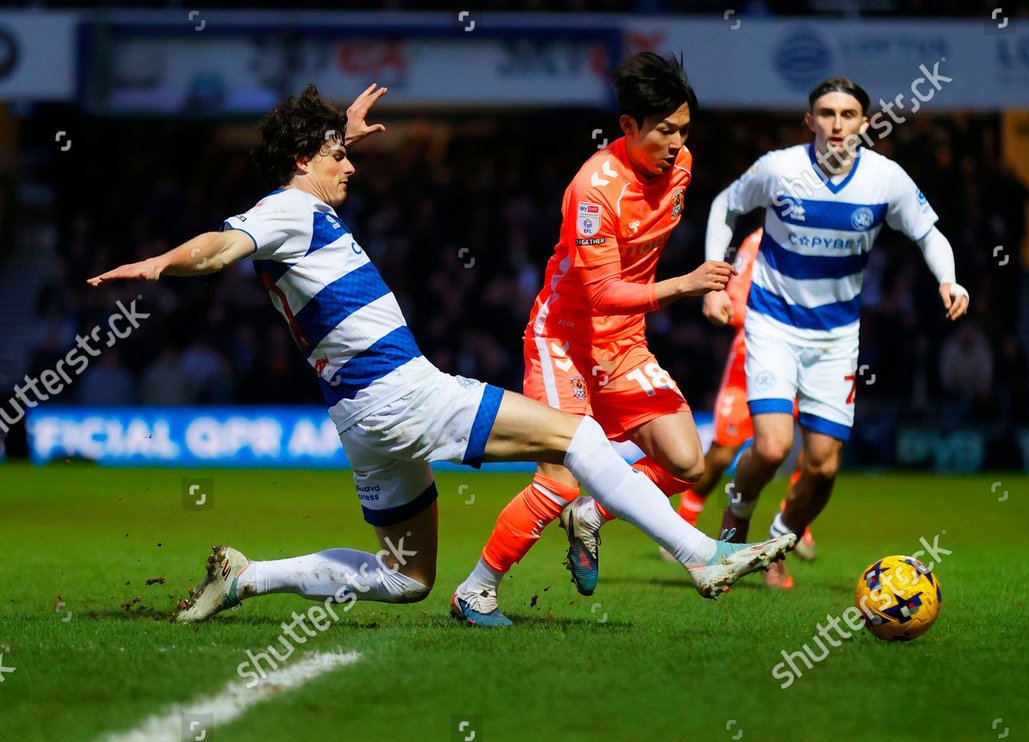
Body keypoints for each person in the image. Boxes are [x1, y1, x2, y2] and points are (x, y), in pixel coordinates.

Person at [86, 83, 795, 627]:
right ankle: (702, 556)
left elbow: (286, 200)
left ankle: (244, 579)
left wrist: (344, 133)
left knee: (405, 578)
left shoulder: (302, 208)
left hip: (362, 418)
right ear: (304, 162)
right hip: (400, 392)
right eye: (339, 156)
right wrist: (161, 263)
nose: (351, 168)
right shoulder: (285, 210)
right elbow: (218, 248)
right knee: (574, 435)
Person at [452, 52, 739, 625]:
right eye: (663, 131)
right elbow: (604, 292)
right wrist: (686, 285)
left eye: (684, 130)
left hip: (625, 342)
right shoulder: (593, 189)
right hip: (565, 341)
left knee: (688, 462)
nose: (677, 143)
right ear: (627, 127)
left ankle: (593, 512)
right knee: (557, 475)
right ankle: (476, 590)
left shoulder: (682, 166)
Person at [703, 76, 969, 586]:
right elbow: (726, 206)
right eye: (826, 113)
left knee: (823, 467)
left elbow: (928, 233)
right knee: (775, 446)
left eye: (848, 115)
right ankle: (737, 517)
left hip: (836, 337)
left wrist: (949, 281)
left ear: (865, 124)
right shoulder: (779, 168)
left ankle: (779, 539)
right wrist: (716, 281)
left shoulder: (885, 179)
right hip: (773, 323)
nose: (837, 124)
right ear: (810, 122)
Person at [668, 228, 816, 590]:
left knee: (812, 446)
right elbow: (733, 305)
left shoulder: (829, 235)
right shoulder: (758, 242)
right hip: (752, 360)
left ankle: (793, 524)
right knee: (724, 452)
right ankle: (685, 518)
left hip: (808, 360)